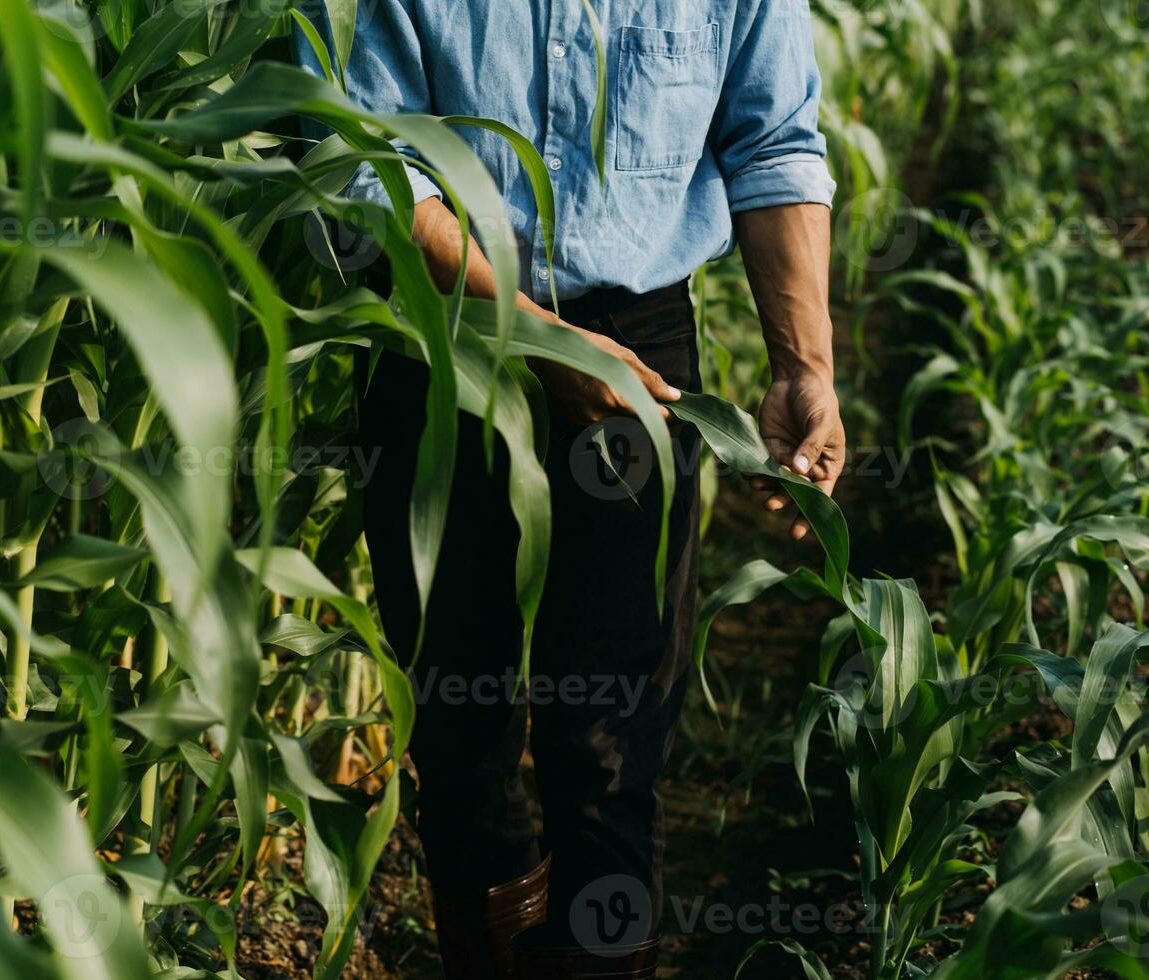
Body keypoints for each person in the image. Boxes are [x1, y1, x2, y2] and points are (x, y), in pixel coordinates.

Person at [299, 2, 846, 976]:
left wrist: (806, 367)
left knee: (609, 731)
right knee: (459, 723)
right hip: (443, 338)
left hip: (640, 362)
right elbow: (363, 160)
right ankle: (498, 938)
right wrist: (532, 333)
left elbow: (773, 141)